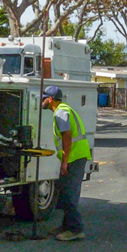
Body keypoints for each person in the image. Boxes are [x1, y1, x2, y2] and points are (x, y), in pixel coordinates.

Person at [41, 85, 91, 242]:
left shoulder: (61, 112)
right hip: (74, 156)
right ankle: (66, 226)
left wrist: (64, 162)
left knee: (70, 195)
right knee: (65, 193)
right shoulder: (63, 110)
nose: (42, 101)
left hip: (74, 157)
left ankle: (76, 229)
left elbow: (67, 137)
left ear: (50, 99)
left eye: (44, 98)